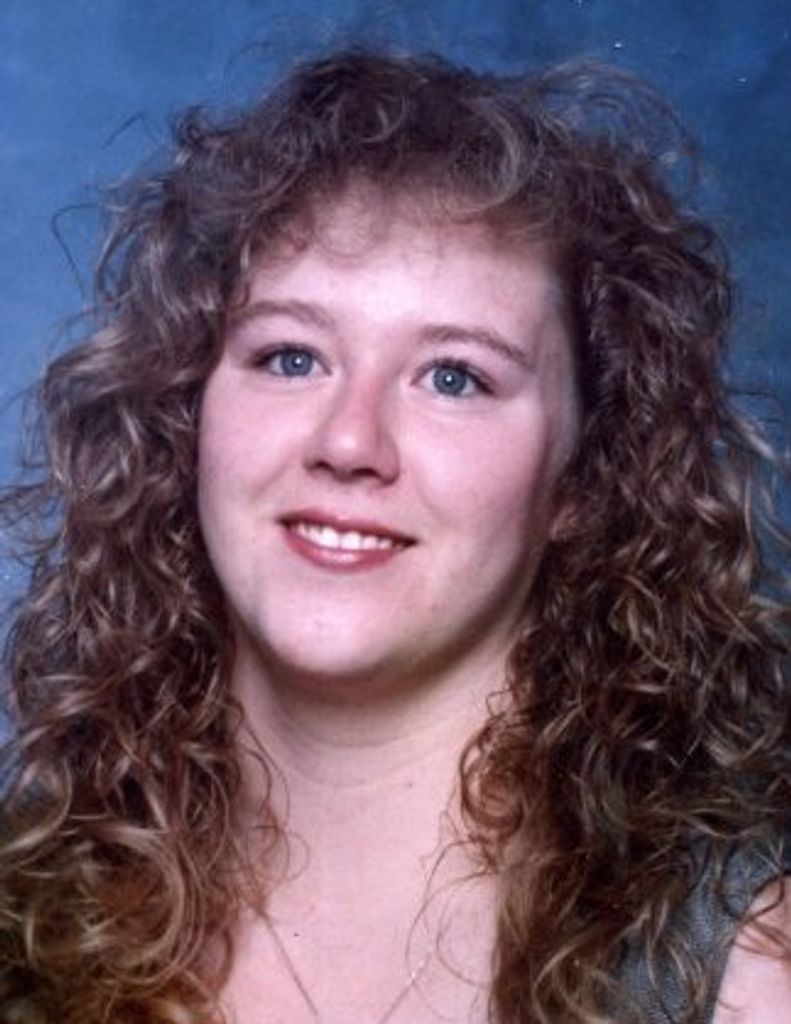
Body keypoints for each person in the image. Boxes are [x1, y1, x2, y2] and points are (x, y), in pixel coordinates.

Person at [0, 47, 788, 1024]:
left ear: (582, 477)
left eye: (454, 377)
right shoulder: (19, 916)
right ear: (185, 413)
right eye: (291, 357)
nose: (348, 442)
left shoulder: (746, 972)